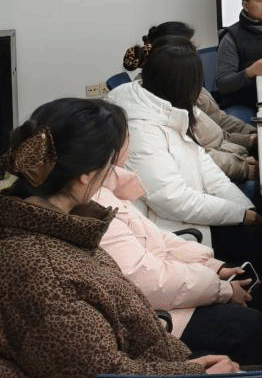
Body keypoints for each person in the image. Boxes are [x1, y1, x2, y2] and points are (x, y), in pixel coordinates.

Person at [0, 97, 240, 376]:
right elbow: (101, 372)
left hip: (157, 356)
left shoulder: (62, 227)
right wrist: (193, 373)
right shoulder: (44, 271)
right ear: (86, 175)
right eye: (110, 162)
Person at [94, 130, 262, 367]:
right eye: (125, 136)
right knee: (255, 329)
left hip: (170, 286)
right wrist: (222, 289)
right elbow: (149, 280)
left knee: (254, 289)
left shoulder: (107, 187)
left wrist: (214, 267)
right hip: (161, 317)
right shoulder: (96, 207)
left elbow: (157, 239)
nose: (129, 143)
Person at [106, 42, 262, 281]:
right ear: (182, 86)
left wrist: (245, 209)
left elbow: (205, 166)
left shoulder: (166, 109)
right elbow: (172, 199)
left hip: (194, 213)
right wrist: (241, 215)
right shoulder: (142, 130)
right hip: (176, 233)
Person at [124, 23, 258, 183]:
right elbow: (196, 156)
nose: (194, 50)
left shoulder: (176, 84)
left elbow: (216, 130)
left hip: (226, 159)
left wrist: (250, 139)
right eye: (189, 46)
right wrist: (243, 166)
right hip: (215, 174)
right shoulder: (168, 98)